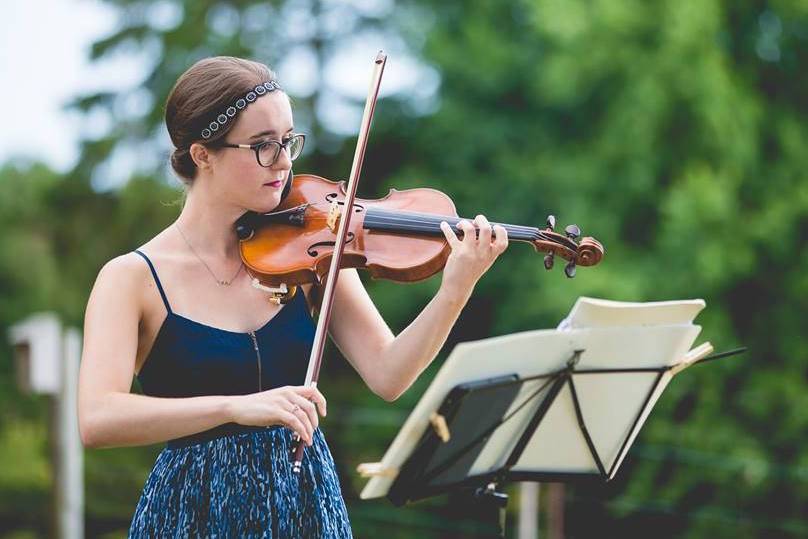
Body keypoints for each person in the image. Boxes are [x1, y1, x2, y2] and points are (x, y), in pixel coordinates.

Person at [77, 56, 509, 537]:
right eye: (262, 146)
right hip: (192, 510)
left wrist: (456, 288)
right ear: (203, 155)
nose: (283, 161)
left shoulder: (316, 247)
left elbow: (390, 375)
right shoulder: (132, 278)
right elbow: (99, 418)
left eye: (288, 141)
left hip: (303, 502)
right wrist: (234, 407)